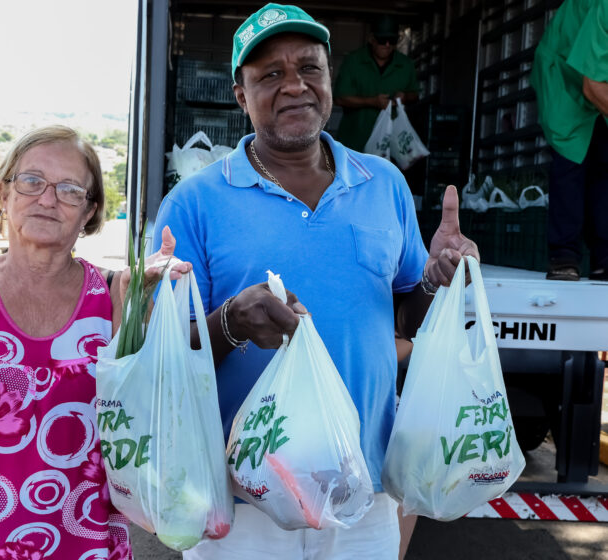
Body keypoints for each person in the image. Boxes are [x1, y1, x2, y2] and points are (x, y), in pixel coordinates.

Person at [152, 4, 478, 558]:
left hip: (362, 489)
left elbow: (401, 318)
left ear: (329, 80)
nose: (294, 86)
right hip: (243, 495)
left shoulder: (385, 184)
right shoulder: (194, 203)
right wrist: (229, 324)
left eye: (309, 67)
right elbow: (162, 360)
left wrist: (436, 282)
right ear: (241, 95)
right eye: (270, 74)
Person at [0, 125, 190, 560]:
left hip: (78, 536)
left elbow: (144, 417)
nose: (47, 199)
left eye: (70, 190)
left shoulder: (114, 296)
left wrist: (143, 307)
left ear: (90, 211)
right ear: (3, 193)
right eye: (31, 182)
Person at [530, 0, 608, 281]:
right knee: (571, 162)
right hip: (564, 73)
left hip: (597, 77)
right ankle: (564, 256)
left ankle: (604, 258)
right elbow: (592, 85)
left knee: (604, 163)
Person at [333, 14, 419, 153]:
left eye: (392, 40)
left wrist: (404, 97)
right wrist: (372, 102)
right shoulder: (353, 61)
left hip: (391, 144)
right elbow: (340, 98)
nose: (387, 45)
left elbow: (415, 95)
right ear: (372, 39)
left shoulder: (406, 64)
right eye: (382, 40)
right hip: (356, 141)